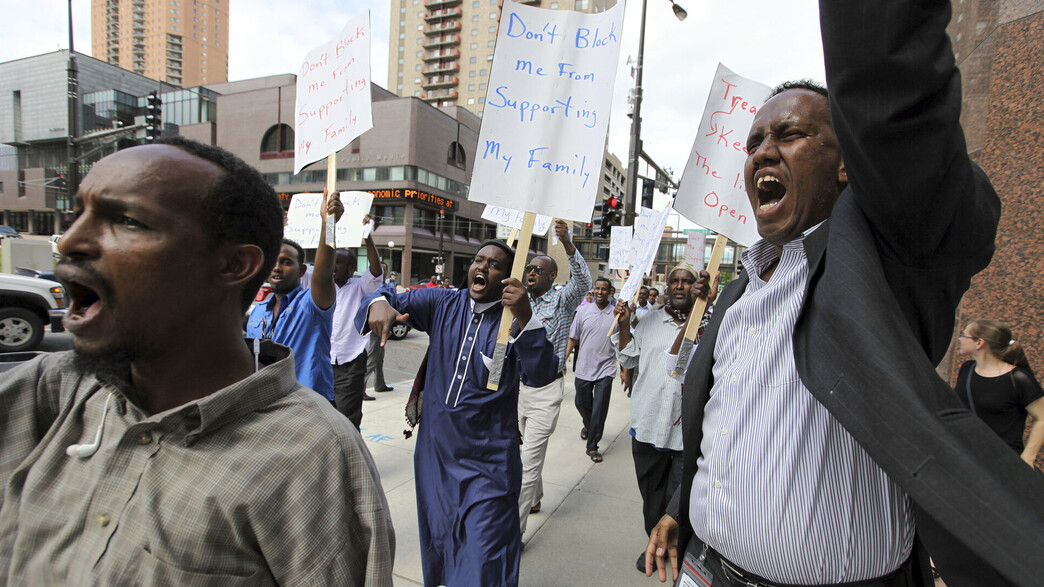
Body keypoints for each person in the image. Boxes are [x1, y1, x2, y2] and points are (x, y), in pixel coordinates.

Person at [644, 1, 1044, 585]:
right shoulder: (736, 295)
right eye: (754, 140)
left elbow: (897, 109)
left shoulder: (887, 265)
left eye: (790, 134)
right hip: (707, 569)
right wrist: (682, 510)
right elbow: (722, 425)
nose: (761, 151)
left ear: (848, 164)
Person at [0, 138, 394, 585]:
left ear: (234, 265)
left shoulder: (310, 460)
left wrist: (331, 228)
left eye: (127, 221)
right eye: (78, 214)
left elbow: (322, 274)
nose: (69, 242)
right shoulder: (52, 393)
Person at [358, 240, 557, 587]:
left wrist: (525, 316)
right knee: (441, 548)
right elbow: (388, 295)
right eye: (478, 260)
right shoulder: (443, 303)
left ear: (508, 280)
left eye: (494, 265)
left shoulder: (515, 320)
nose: (482, 267)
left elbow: (542, 374)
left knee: (484, 559)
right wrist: (379, 303)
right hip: (436, 458)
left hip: (489, 466)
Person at [613, 264, 709, 574]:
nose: (680, 286)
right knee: (652, 500)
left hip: (686, 435)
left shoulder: (711, 325)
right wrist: (625, 324)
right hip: (648, 429)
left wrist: (703, 308)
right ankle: (653, 545)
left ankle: (674, 548)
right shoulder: (649, 321)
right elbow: (628, 358)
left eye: (687, 281)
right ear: (667, 287)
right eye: (675, 281)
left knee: (677, 502)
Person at [517, 218, 592, 531]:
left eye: (538, 270)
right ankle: (535, 498)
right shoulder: (518, 300)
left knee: (525, 464)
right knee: (520, 452)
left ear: (552, 276)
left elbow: (584, 283)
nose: (531, 273)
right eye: (529, 268)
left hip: (546, 390)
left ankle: (513, 531)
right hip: (516, 387)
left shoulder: (563, 299)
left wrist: (567, 242)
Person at [245, 194, 343, 402]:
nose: (277, 267)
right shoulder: (258, 311)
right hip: (268, 406)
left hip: (311, 407)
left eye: (286, 262)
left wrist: (329, 223)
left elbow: (324, 274)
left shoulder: (311, 305)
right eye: (273, 261)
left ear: (301, 271)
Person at [955, 320, 1044, 466]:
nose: (960, 339)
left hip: (1002, 462)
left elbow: (1042, 417)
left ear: (979, 343)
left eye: (964, 335)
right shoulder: (967, 369)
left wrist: (1028, 457)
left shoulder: (1017, 379)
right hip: (968, 456)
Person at [330, 235, 383, 428]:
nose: (333, 266)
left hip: (350, 362)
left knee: (346, 419)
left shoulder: (361, 287)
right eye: (331, 261)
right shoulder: (322, 288)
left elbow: (376, 270)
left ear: (352, 268)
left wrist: (367, 237)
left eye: (339, 263)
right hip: (323, 361)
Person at [566, 277, 618, 463]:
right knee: (581, 403)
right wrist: (564, 359)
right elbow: (573, 338)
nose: (600, 292)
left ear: (610, 291)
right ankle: (589, 426)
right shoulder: (583, 312)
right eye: (597, 288)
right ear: (593, 290)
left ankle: (592, 446)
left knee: (599, 410)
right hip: (584, 367)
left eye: (604, 289)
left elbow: (624, 341)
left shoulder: (616, 314)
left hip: (606, 368)